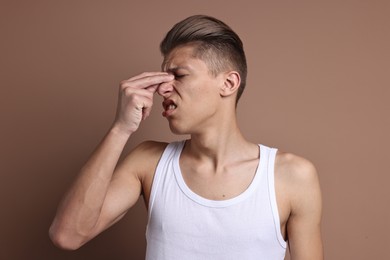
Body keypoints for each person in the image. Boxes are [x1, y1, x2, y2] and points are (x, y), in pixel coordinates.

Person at [49, 15, 323, 259]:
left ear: (228, 83)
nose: (163, 89)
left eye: (178, 75)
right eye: (163, 77)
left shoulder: (292, 177)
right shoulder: (148, 162)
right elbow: (68, 235)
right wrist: (121, 128)